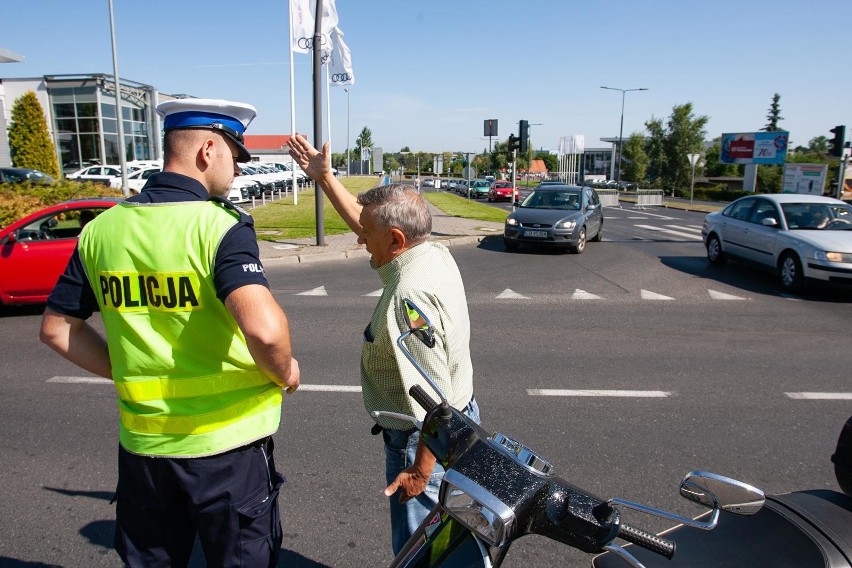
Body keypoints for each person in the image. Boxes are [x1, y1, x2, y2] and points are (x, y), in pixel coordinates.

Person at [39, 98, 300, 568]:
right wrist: (285, 372)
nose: (237, 170)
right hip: (227, 451)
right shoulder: (219, 225)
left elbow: (58, 330)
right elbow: (265, 331)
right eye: (234, 155)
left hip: (144, 451)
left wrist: (126, 373)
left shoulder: (102, 231)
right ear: (206, 150)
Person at [289, 133, 480, 556]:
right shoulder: (433, 253)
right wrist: (325, 179)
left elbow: (436, 404)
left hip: (424, 440)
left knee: (422, 552)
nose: (359, 239)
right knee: (456, 542)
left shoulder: (406, 297)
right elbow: (369, 223)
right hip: (464, 423)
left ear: (395, 240)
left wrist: (418, 473)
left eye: (367, 235)